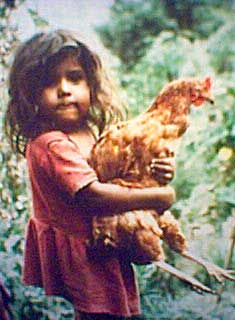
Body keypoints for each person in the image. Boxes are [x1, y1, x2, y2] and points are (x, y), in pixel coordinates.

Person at [5, 29, 175, 320]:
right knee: (103, 313)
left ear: (91, 83)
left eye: (74, 77)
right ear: (30, 93)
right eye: (49, 82)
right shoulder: (51, 143)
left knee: (118, 309)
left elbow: (114, 177)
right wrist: (158, 196)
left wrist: (155, 175)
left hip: (102, 241)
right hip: (84, 251)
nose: (64, 89)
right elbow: (92, 195)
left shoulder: (87, 132)